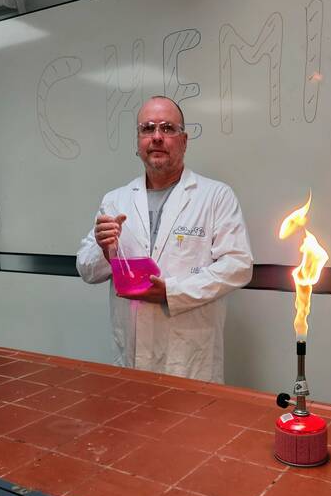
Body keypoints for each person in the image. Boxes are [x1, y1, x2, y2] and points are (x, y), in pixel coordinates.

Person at [76, 96, 253, 383]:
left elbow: (238, 266)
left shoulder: (215, 196)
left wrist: (172, 292)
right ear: (138, 141)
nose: (157, 136)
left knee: (190, 412)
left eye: (168, 128)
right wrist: (104, 251)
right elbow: (86, 270)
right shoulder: (115, 200)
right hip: (133, 354)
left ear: (184, 141)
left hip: (190, 358)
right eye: (147, 128)